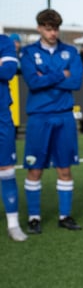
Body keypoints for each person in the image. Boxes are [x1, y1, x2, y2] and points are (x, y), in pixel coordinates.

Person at [19, 9, 83, 234]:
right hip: (39, 117)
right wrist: (60, 75)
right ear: (39, 28)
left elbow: (75, 81)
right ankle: (34, 217)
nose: (53, 32)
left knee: (64, 169)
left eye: (56, 28)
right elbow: (33, 83)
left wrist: (45, 76)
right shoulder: (28, 52)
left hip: (64, 116)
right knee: (35, 169)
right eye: (48, 28)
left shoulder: (70, 51)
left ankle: (65, 216)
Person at [1, 33, 24, 241]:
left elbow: (8, 70)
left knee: (6, 168)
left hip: (1, 115)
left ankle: (13, 223)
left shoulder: (4, 41)